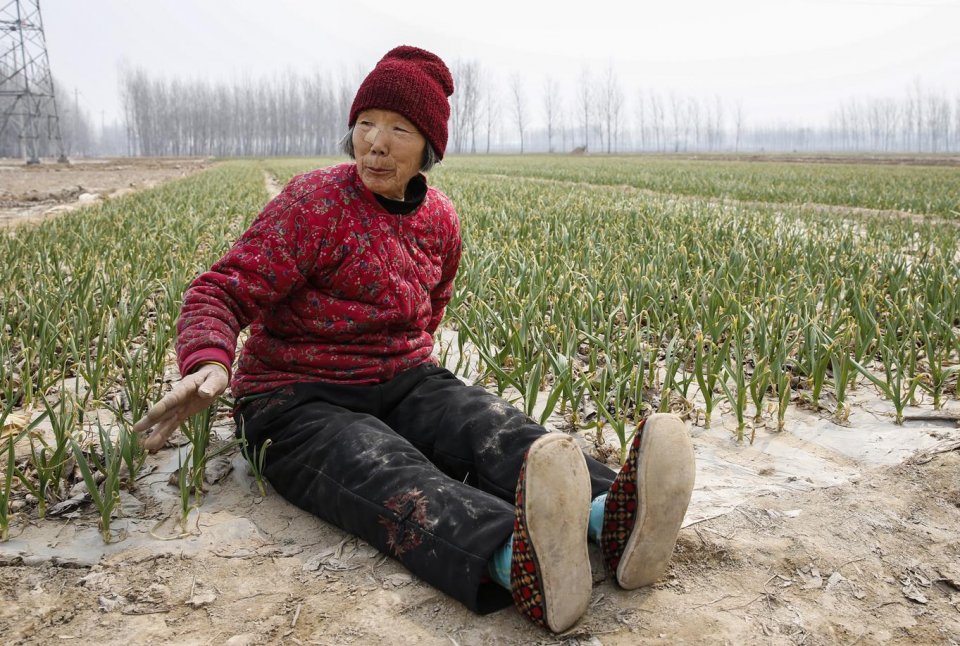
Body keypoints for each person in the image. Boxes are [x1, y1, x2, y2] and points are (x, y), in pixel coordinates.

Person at [132, 45, 696, 634]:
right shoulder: (314, 203)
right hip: (293, 400)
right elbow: (219, 291)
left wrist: (416, 386)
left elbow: (431, 308)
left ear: (428, 147)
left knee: (486, 423)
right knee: (387, 468)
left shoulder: (440, 221)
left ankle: (611, 516)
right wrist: (209, 362)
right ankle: (516, 562)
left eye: (399, 129)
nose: (376, 142)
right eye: (366, 124)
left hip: (399, 378)